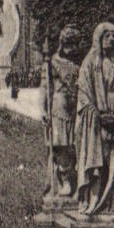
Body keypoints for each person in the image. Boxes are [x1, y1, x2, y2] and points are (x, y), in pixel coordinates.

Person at [75, 22, 114, 217]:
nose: (112, 40)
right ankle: (94, 201)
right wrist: (98, 114)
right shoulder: (91, 63)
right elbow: (84, 92)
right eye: (108, 36)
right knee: (98, 161)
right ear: (99, 38)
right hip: (96, 120)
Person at [42, 27, 80, 198]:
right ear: (62, 44)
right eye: (68, 44)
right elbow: (45, 87)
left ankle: (75, 181)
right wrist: (44, 109)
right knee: (60, 145)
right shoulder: (52, 62)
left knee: (74, 146)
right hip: (58, 108)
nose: (71, 49)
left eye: (74, 45)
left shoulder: (78, 64)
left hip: (75, 109)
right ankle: (64, 182)